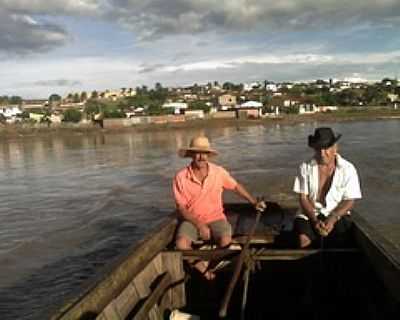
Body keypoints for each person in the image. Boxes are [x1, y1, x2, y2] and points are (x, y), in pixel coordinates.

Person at [173, 135, 266, 279]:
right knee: (181, 245)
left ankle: (211, 268)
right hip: (191, 220)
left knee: (226, 242)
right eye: (197, 153)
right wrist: (199, 225)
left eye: (204, 153)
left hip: (215, 217)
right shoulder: (180, 177)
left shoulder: (218, 172)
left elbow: (235, 186)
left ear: (209, 155)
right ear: (191, 155)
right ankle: (204, 269)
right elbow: (182, 209)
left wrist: (253, 202)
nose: (201, 157)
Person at [293, 127, 362, 248]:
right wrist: (314, 220)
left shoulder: (348, 169)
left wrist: (332, 218)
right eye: (318, 149)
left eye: (326, 148)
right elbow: (303, 198)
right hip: (310, 214)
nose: (322, 153)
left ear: (335, 148)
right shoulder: (305, 167)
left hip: (336, 213)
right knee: (303, 240)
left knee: (341, 241)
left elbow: (350, 200)